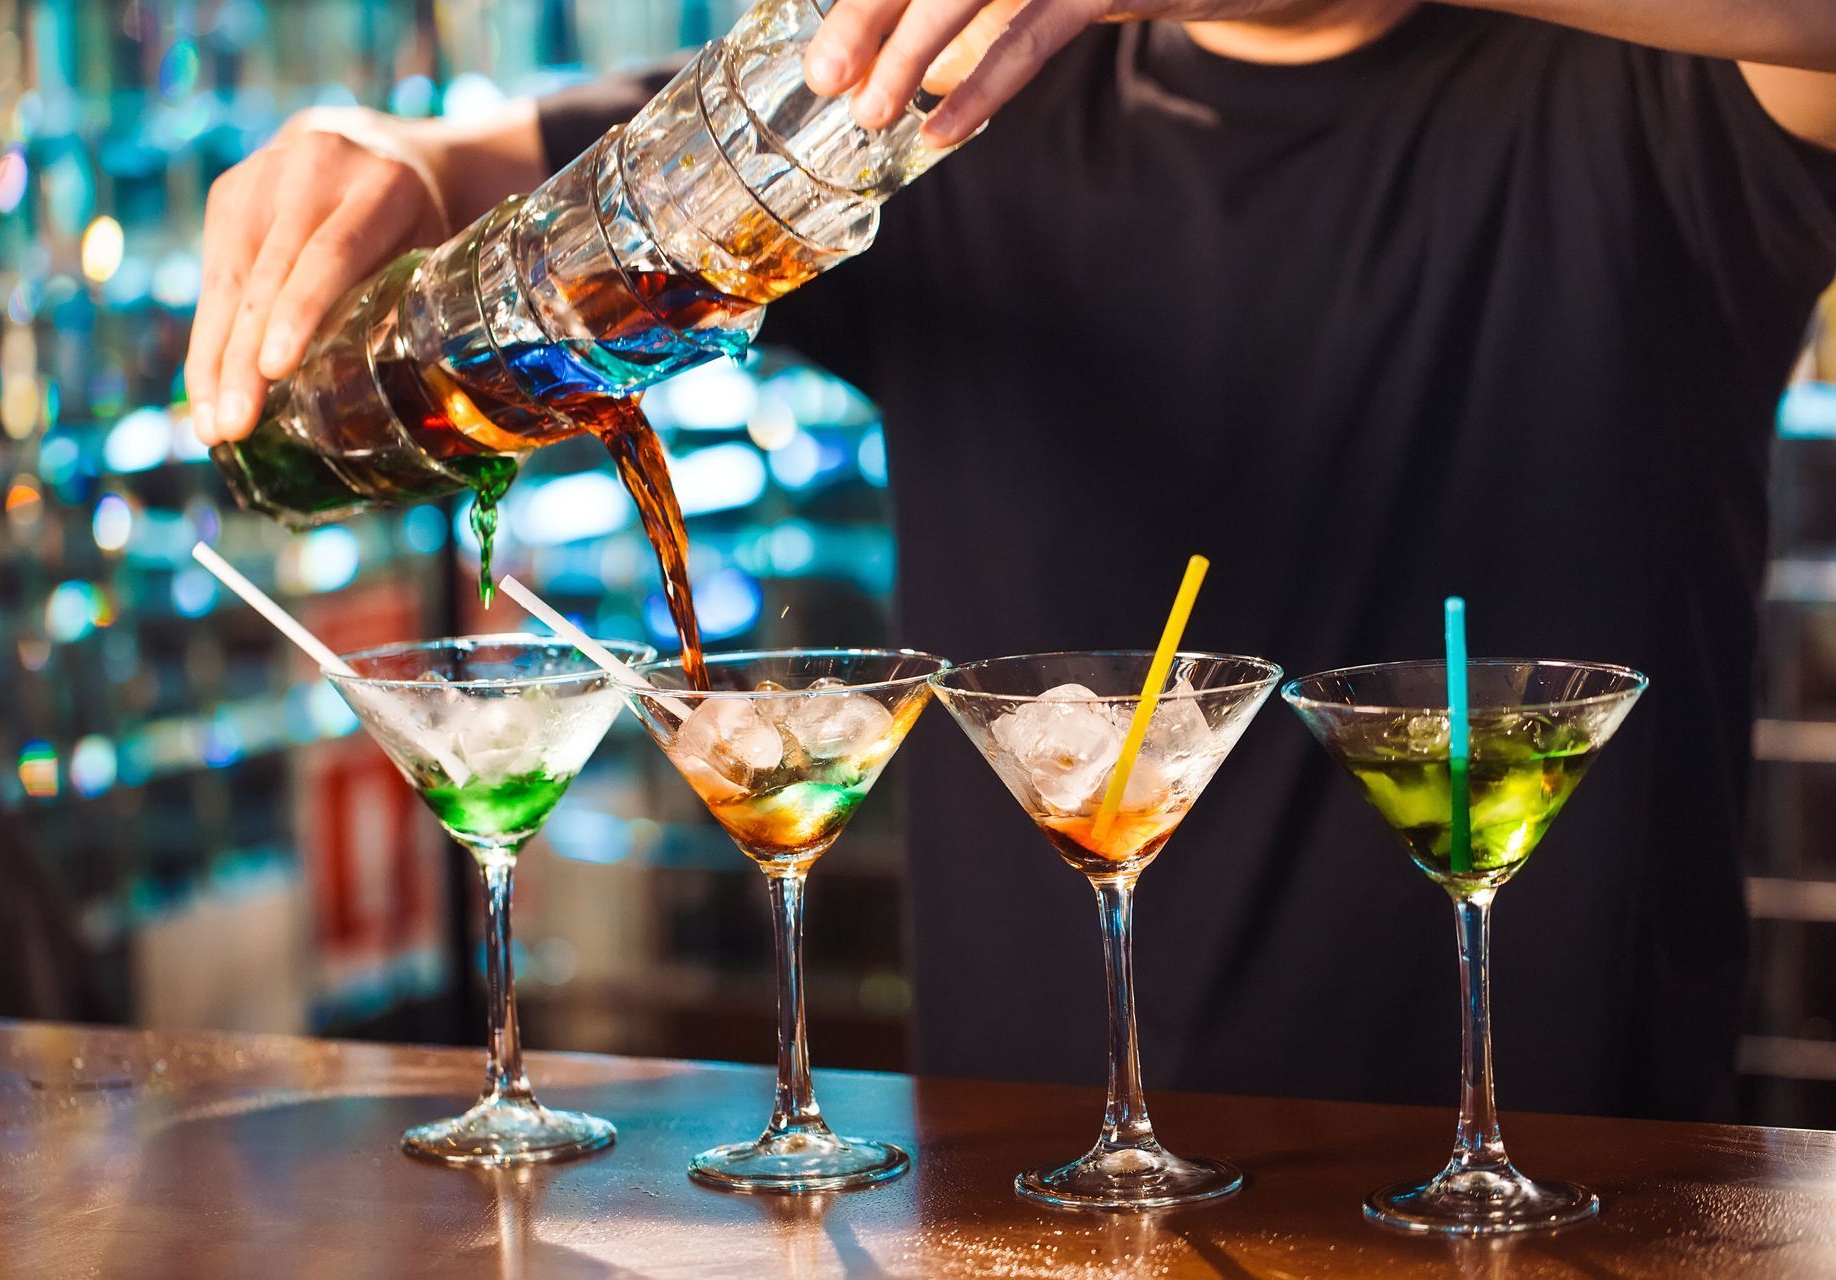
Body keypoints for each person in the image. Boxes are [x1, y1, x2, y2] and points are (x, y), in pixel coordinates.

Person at [187, 1, 1836, 1121]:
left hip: (1570, 1194)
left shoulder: (1665, 94)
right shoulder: (946, 117)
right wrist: (392, 157)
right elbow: (523, 171)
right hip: (1030, 1199)